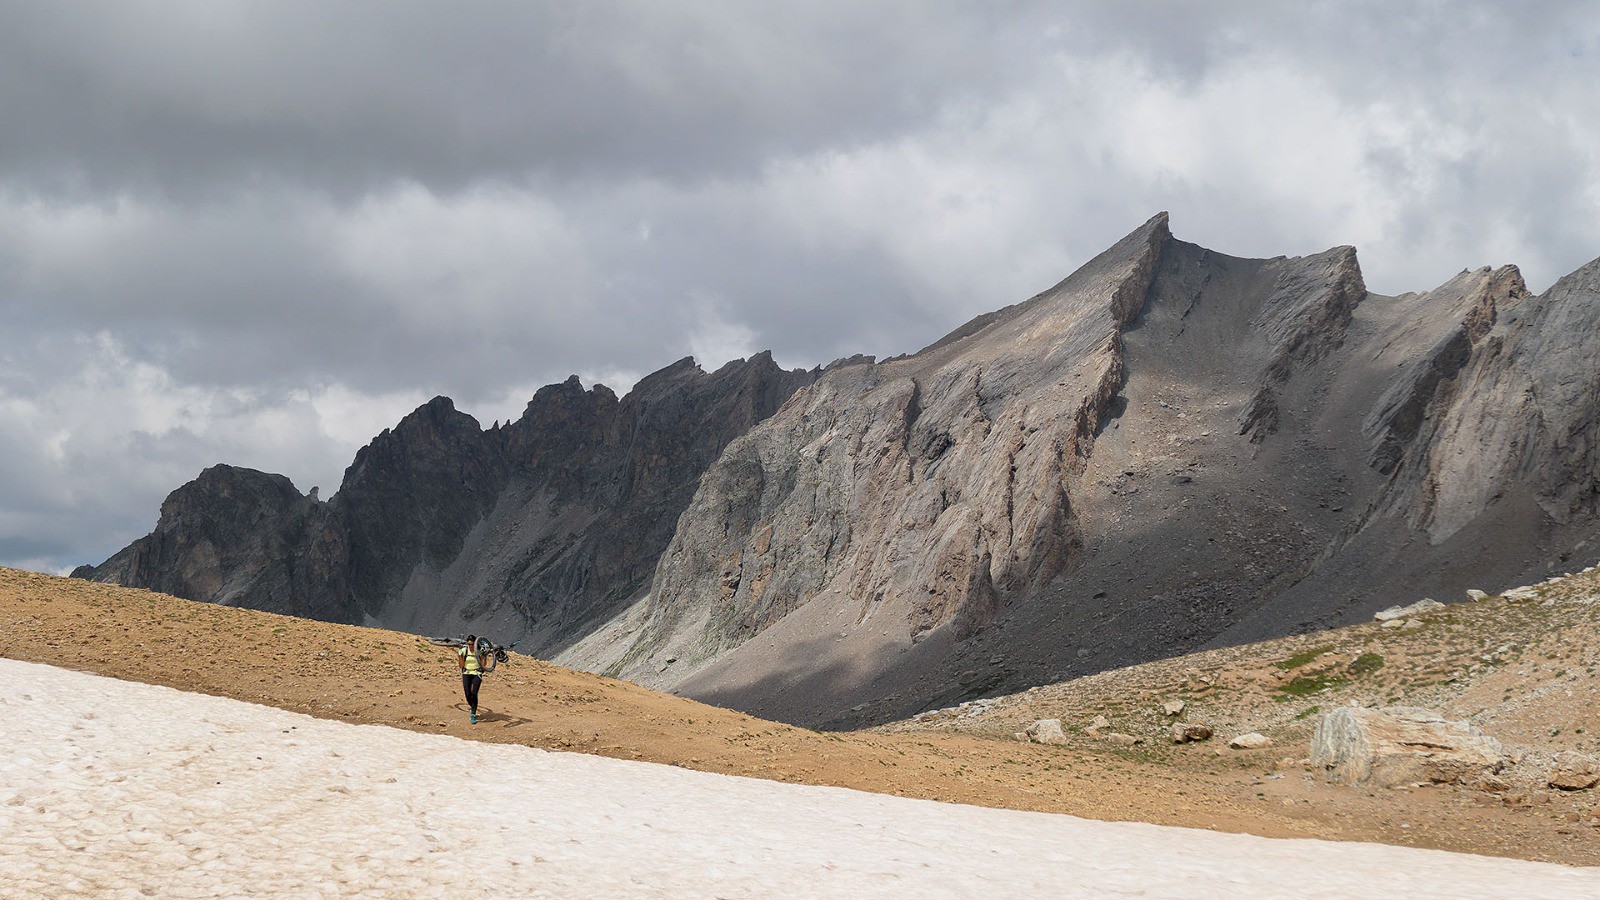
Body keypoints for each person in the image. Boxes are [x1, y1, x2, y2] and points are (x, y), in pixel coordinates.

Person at [458, 634, 487, 724]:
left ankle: (473, 714)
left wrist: (484, 656)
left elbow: (484, 664)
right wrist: (460, 656)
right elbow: (461, 665)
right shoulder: (464, 651)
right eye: (469, 644)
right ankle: (473, 706)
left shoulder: (479, 651)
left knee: (474, 693)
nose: (470, 646)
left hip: (477, 673)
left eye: (472, 644)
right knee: (467, 694)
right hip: (466, 673)